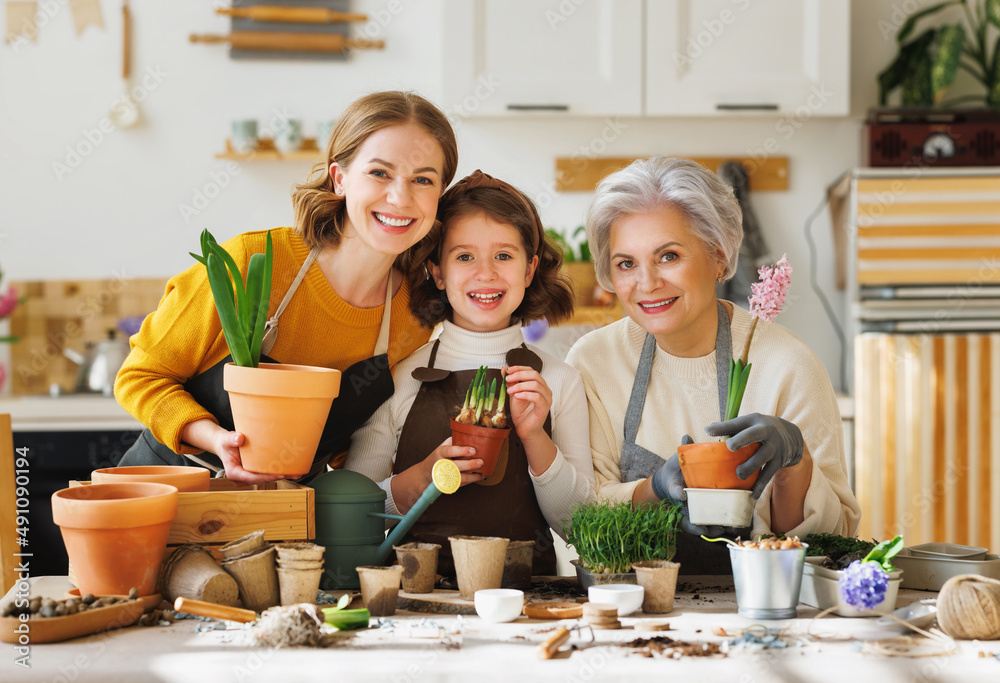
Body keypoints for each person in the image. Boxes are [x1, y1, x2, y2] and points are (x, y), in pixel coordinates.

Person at [114, 91, 459, 483]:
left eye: (423, 179)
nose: (400, 197)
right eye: (379, 173)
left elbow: (359, 447)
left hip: (287, 517)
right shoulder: (253, 261)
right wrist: (216, 439)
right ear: (340, 178)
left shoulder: (413, 315)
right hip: (166, 493)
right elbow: (140, 376)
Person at [565, 157, 860, 574]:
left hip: (758, 608)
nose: (646, 283)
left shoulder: (789, 366)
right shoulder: (594, 361)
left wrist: (795, 463)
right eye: (626, 263)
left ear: (719, 257)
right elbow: (579, 512)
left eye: (668, 256)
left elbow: (836, 539)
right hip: (632, 608)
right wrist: (655, 490)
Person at [345, 170, 596, 576]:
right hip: (414, 596)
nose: (486, 274)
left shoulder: (560, 379)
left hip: (527, 604)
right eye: (464, 256)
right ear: (437, 272)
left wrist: (535, 439)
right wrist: (422, 478)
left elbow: (581, 528)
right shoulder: (399, 378)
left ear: (529, 270)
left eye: (504, 255)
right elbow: (353, 511)